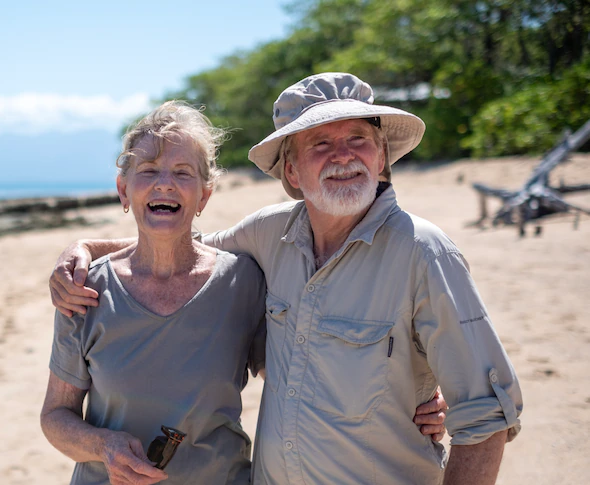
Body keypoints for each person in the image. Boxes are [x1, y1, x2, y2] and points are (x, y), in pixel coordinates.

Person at [49, 73, 520, 485]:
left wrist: (427, 395)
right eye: (320, 144)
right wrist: (85, 249)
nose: (342, 157)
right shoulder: (269, 235)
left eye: (358, 139)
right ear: (292, 171)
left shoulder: (424, 251)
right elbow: (176, 242)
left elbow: (486, 415)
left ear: (381, 158)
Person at [40, 101, 268, 485]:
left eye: (183, 172)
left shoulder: (243, 281)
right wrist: (103, 446)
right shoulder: (84, 289)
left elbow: (292, 377)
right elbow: (55, 417)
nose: (165, 183)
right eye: (148, 171)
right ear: (123, 190)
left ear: (204, 195)